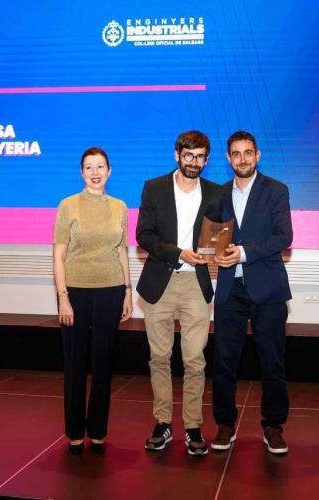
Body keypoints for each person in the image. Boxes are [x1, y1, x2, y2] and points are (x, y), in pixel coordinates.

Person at [136, 130, 222, 455]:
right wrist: (178, 253)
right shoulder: (154, 188)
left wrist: (212, 252)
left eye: (200, 157)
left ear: (206, 160)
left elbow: (219, 236)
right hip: (160, 280)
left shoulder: (215, 193)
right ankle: (162, 422)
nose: (193, 162)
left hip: (196, 284)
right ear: (177, 155)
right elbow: (144, 234)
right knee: (159, 357)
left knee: (195, 360)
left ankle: (193, 426)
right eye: (188, 156)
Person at [211, 131, 293, 455]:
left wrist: (243, 253)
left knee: (272, 362)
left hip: (268, 289)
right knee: (223, 361)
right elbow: (213, 237)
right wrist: (215, 253)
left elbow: (283, 236)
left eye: (248, 152)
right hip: (229, 289)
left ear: (257, 155)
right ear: (228, 158)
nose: (242, 159)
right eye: (236, 153)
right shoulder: (218, 194)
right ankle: (224, 423)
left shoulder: (276, 190)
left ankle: (273, 426)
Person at [52, 146, 133, 455]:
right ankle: (75, 432)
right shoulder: (68, 205)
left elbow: (122, 251)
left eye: (100, 167)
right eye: (89, 167)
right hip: (75, 290)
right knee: (75, 364)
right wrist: (63, 297)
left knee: (103, 363)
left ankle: (97, 430)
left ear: (109, 171)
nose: (95, 172)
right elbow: (58, 255)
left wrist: (127, 291)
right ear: (81, 172)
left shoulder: (120, 206)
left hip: (111, 289)